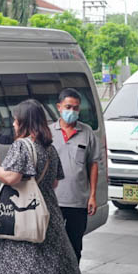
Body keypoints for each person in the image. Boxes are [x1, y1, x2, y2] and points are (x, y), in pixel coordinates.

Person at [0, 99, 87, 274]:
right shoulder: (48, 147)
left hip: (21, 218)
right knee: (44, 269)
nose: (14, 122)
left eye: (16, 118)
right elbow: (54, 182)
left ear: (22, 121)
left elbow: (11, 177)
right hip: (46, 215)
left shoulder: (21, 146)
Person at [49, 88, 101, 263]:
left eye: (76, 108)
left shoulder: (87, 133)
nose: (72, 111)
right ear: (59, 107)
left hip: (78, 201)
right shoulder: (48, 134)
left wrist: (92, 196)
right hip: (53, 200)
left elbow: (93, 164)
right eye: (68, 107)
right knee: (52, 246)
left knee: (75, 246)